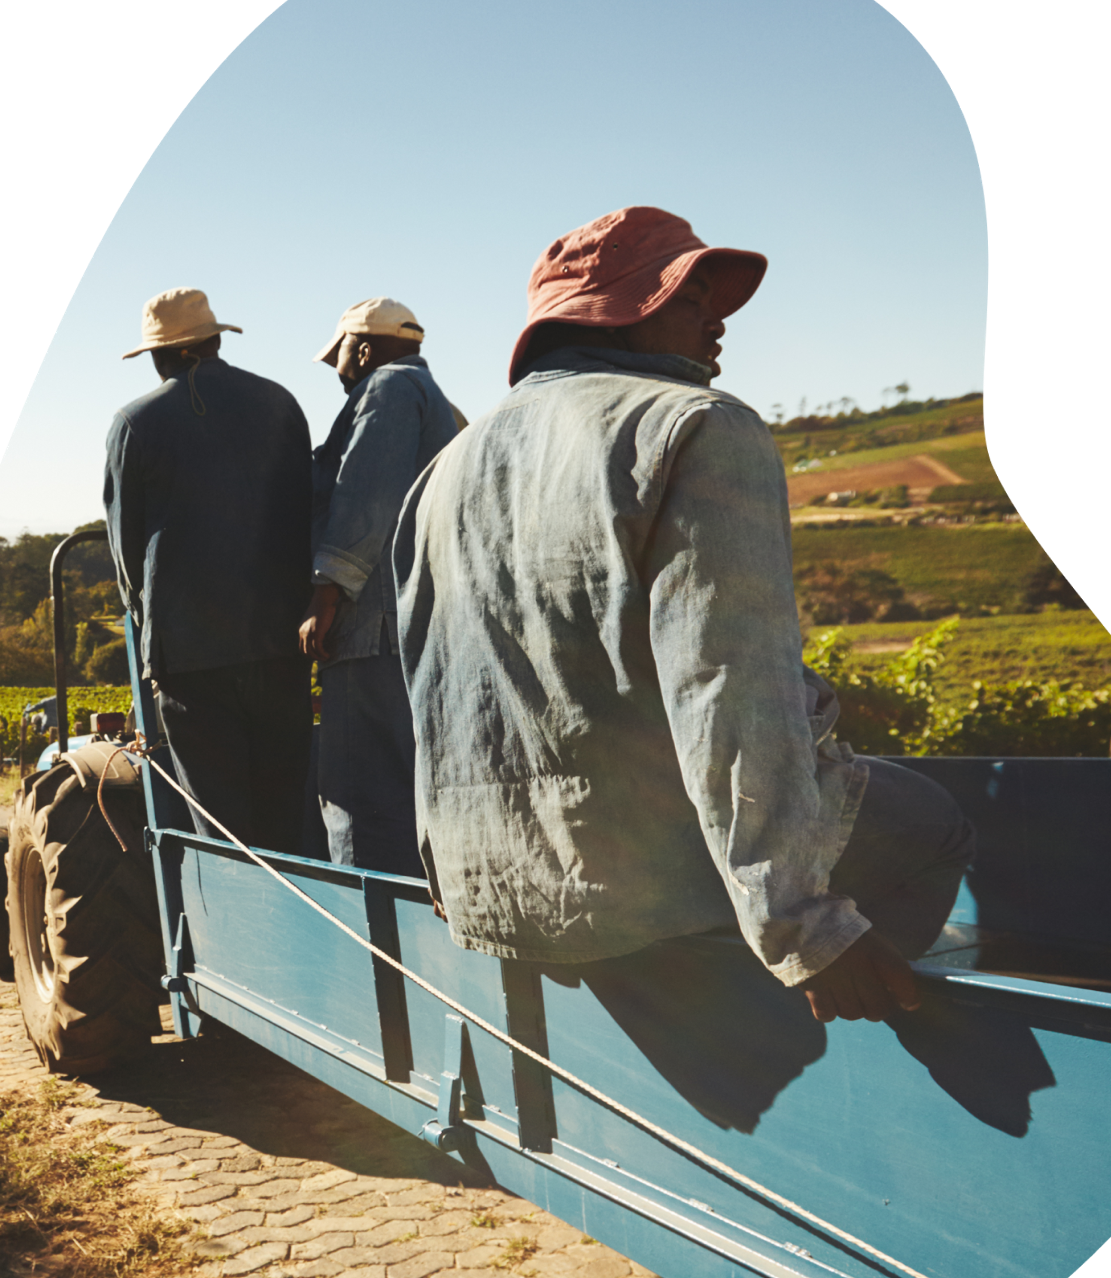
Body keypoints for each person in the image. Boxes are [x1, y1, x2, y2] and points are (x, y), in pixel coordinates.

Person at [393, 207, 974, 1026]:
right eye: (688, 296)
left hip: (491, 881)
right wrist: (799, 926)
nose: (718, 321)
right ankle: (837, 1041)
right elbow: (728, 685)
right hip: (632, 874)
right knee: (932, 819)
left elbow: (429, 690)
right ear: (617, 308)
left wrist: (452, 880)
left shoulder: (440, 472)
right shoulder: (694, 425)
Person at [104, 287, 313, 854]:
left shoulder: (134, 423)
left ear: (159, 355)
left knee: (221, 825)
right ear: (217, 340)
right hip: (283, 644)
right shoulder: (281, 403)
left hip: (191, 659)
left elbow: (128, 560)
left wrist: (153, 631)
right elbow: (308, 512)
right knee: (287, 808)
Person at [299, 297, 463, 875]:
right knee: (406, 785)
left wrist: (327, 594)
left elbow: (365, 498)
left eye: (339, 355)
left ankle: (373, 944)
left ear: (362, 348)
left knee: (358, 795)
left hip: (371, 627)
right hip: (415, 628)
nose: (339, 369)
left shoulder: (387, 388)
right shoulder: (437, 401)